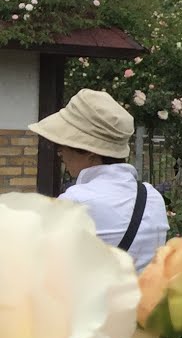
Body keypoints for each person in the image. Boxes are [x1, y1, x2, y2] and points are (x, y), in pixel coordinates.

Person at [30, 88, 168, 269]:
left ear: (89, 151)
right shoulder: (152, 197)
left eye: (64, 144)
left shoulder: (76, 201)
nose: (60, 152)